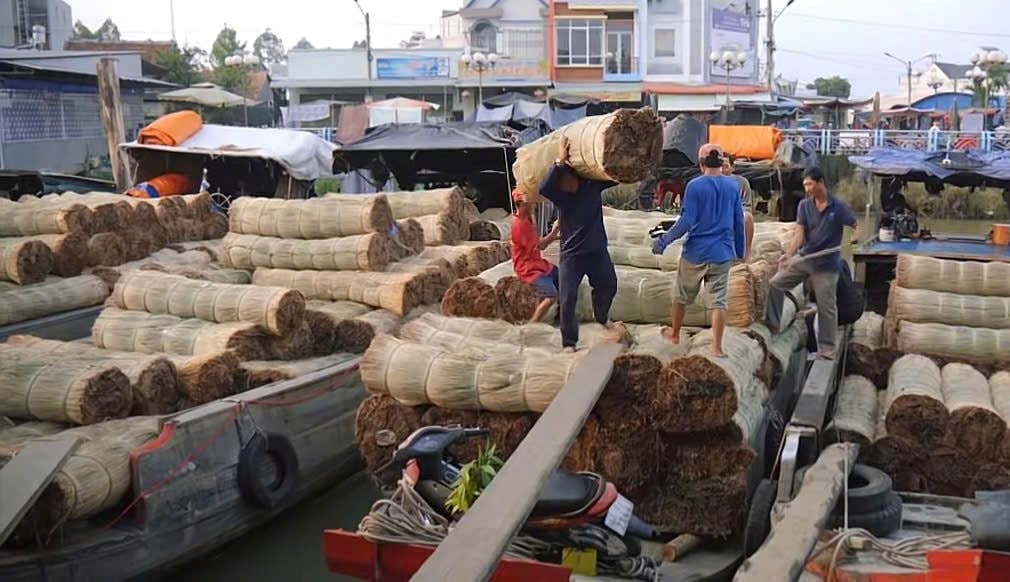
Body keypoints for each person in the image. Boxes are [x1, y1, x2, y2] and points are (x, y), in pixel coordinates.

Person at [652, 144, 746, 357]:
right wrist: (740, 251)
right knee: (718, 301)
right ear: (722, 162)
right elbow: (738, 221)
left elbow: (687, 220)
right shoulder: (733, 186)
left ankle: (675, 334)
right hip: (722, 253)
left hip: (696, 252)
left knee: (682, 295)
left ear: (701, 163)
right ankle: (717, 347)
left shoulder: (694, 186)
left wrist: (664, 241)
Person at [538, 136, 619, 352]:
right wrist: (559, 162)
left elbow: (615, 175)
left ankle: (601, 315)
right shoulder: (561, 197)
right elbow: (544, 188)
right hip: (572, 256)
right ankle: (569, 342)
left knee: (609, 284)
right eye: (561, 182)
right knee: (567, 298)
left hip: (596, 251)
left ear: (575, 179)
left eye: (567, 181)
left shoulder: (591, 187)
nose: (564, 186)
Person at [770, 166, 860, 359]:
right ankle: (774, 324)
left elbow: (855, 225)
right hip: (806, 258)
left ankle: (827, 348)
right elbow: (799, 234)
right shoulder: (804, 206)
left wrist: (855, 235)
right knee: (775, 284)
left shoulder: (838, 206)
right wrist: (788, 254)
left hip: (827, 265)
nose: (807, 188)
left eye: (810, 184)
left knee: (826, 306)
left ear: (820, 183)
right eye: (805, 185)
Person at [510, 188, 561, 323]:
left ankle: (561, 315)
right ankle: (532, 324)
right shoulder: (519, 225)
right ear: (522, 204)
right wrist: (555, 231)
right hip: (528, 269)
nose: (533, 205)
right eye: (530, 203)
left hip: (538, 263)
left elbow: (537, 241)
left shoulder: (528, 219)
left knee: (562, 277)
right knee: (551, 295)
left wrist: (557, 237)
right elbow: (541, 245)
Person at [722, 155, 755, 260]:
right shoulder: (709, 182)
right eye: (720, 166)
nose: (722, 170)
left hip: (736, 213)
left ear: (732, 167)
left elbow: (747, 206)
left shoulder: (741, 182)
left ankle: (746, 253)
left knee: (747, 217)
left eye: (726, 166)